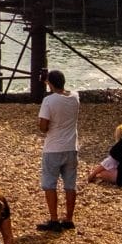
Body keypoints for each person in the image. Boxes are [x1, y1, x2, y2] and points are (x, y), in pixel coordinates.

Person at [36, 68, 81, 231]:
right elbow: (65, 93)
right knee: (70, 185)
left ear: (49, 83)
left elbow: (43, 127)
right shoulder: (75, 97)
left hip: (53, 147)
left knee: (50, 184)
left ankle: (54, 219)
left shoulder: (49, 101)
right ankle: (69, 218)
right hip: (71, 147)